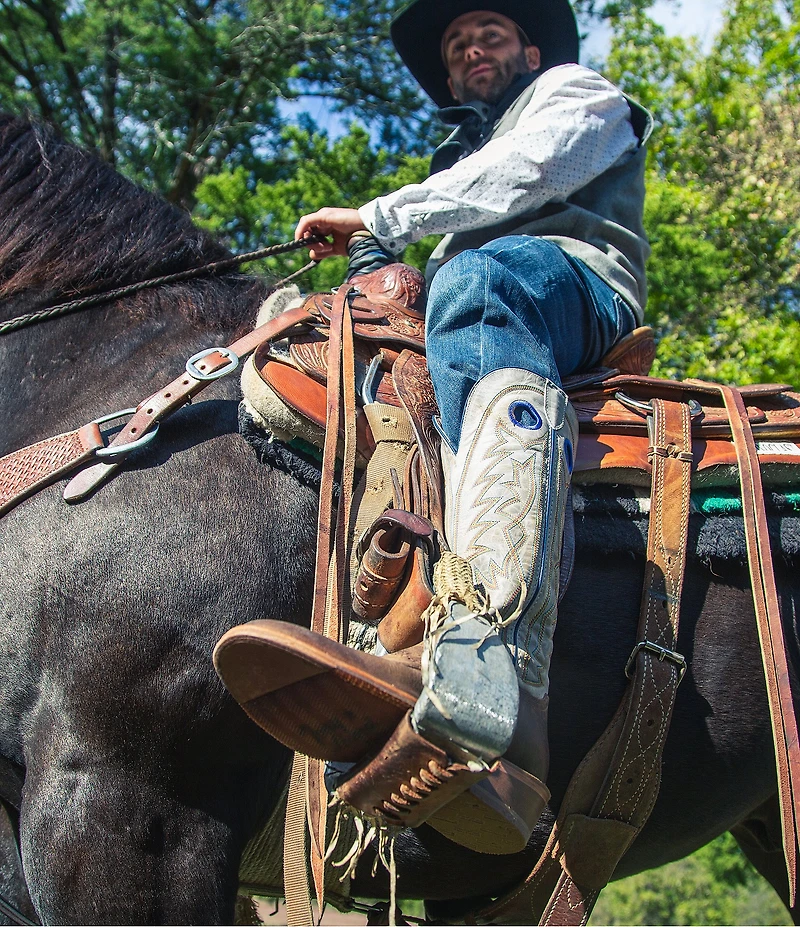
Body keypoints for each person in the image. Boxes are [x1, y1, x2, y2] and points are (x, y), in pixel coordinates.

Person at [218, 0, 652, 850]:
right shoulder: (461, 159)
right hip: (478, 300)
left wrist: (380, 217)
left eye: (487, 34)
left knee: (482, 282)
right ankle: (389, 636)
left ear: (530, 48)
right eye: (457, 47)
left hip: (577, 285)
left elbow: (527, 174)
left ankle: (499, 655)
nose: (470, 50)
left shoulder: (575, 93)